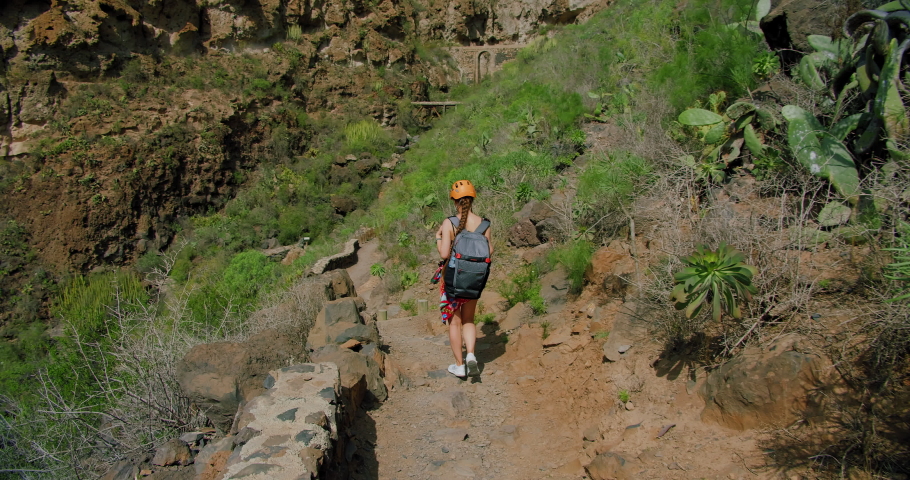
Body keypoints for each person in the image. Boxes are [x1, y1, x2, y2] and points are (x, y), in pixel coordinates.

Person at [436, 179, 493, 378]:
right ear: (472, 199)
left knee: (455, 323)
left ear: (454, 200)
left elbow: (444, 254)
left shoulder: (449, 223)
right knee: (469, 320)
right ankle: (470, 355)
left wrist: (438, 238)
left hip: (453, 279)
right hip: (474, 278)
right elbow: (490, 250)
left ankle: (459, 365)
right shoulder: (484, 223)